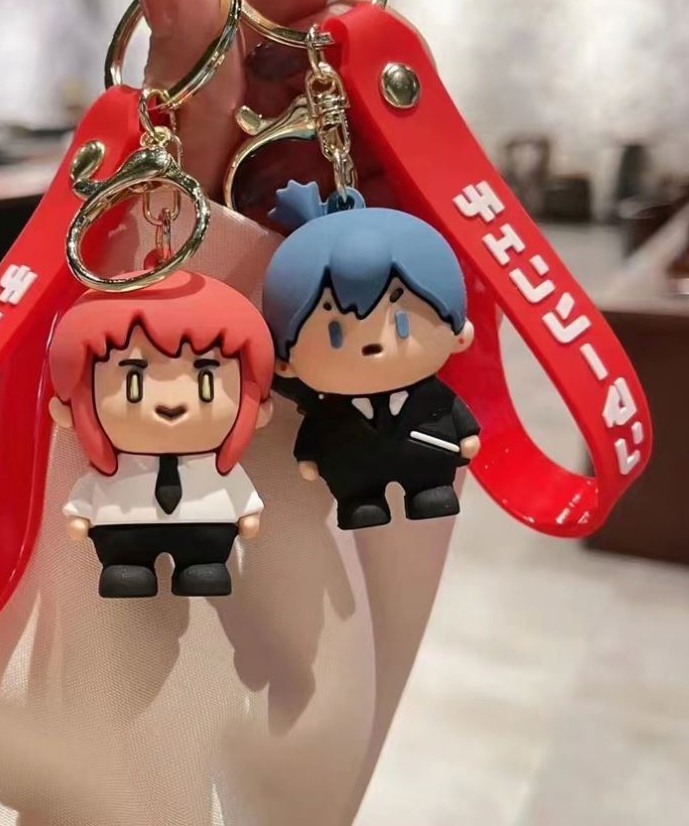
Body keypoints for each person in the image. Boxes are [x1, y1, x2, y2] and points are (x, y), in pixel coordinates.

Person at [262, 184, 481, 530]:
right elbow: (315, 431)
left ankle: (430, 493)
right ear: (285, 363)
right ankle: (361, 504)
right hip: (354, 473)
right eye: (336, 332)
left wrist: (466, 436)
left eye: (401, 323)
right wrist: (309, 456)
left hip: (429, 463)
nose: (372, 345)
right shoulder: (331, 410)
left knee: (432, 495)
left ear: (459, 333)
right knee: (362, 506)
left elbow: (454, 412)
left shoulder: (432, 397)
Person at [48, 271, 275, 597]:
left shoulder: (216, 468)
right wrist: (79, 514)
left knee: (205, 571)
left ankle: (203, 569)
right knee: (126, 574)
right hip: (122, 532)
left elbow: (238, 489)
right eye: (134, 383)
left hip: (207, 529)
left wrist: (248, 512)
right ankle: (127, 570)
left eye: (206, 382)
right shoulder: (113, 468)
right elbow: (88, 490)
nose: (171, 402)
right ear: (73, 405)